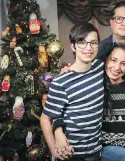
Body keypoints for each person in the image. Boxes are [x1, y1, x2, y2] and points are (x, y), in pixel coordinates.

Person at [40, 22, 104, 161]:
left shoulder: (100, 68)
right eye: (82, 42)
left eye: (93, 43)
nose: (88, 48)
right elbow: (45, 118)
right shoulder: (60, 82)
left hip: (96, 151)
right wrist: (54, 149)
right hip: (71, 153)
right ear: (72, 45)